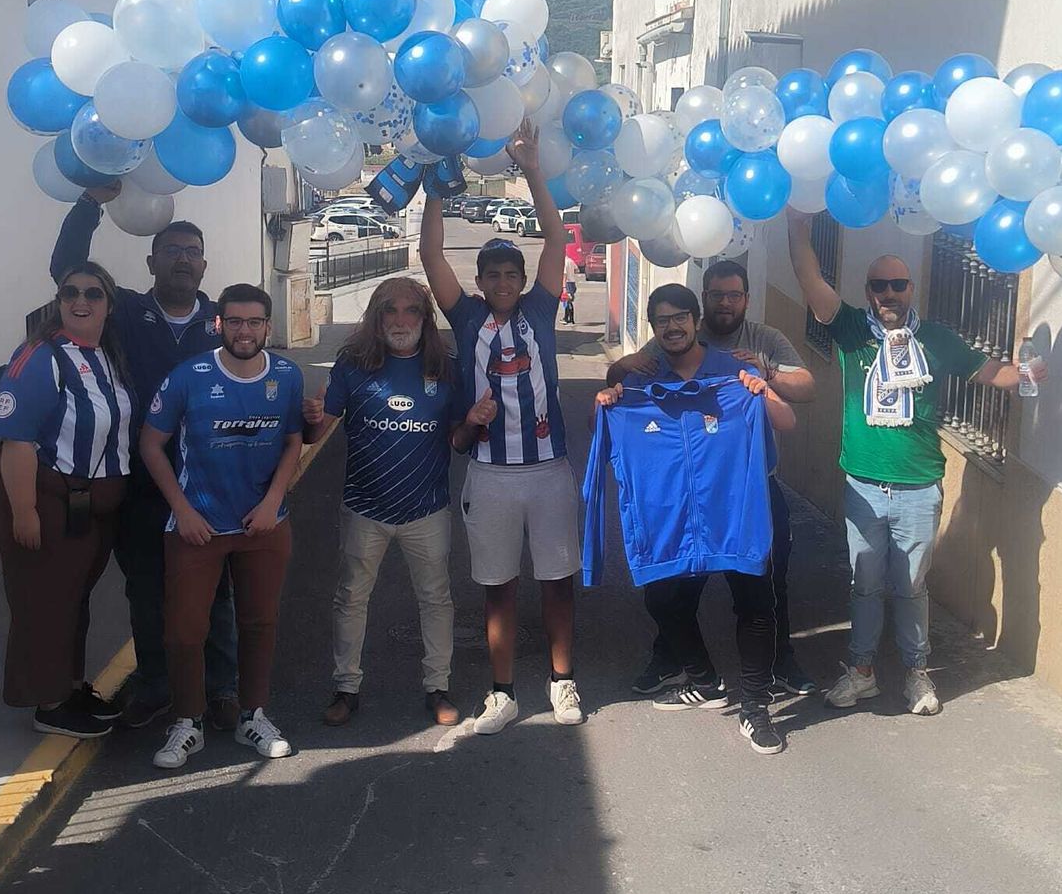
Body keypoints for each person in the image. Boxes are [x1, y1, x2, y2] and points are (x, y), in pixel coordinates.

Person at [787, 210, 1044, 715]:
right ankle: (861, 671)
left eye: (898, 284)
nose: (889, 293)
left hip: (919, 488)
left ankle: (916, 674)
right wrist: (798, 228)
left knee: (910, 587)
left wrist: (1031, 372)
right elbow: (810, 280)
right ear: (868, 291)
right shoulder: (849, 331)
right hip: (863, 485)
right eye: (879, 285)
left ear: (911, 290)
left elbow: (993, 373)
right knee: (865, 585)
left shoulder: (938, 340)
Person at [50, 189, 239, 731]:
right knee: (148, 592)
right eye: (172, 250)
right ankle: (156, 685)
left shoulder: (225, 324)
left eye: (192, 251)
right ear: (151, 261)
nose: (183, 258)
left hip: (211, 485)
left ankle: (222, 687)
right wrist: (90, 202)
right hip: (140, 487)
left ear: (204, 265)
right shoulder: (126, 313)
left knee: (216, 593)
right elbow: (67, 268)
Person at [420, 120, 584, 734]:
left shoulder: (542, 309)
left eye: (510, 275)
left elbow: (556, 236)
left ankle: (563, 684)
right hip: (489, 474)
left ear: (522, 280)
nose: (502, 284)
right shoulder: (464, 320)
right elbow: (431, 254)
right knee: (498, 585)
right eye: (491, 275)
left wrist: (533, 168)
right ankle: (502, 693)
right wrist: (438, 180)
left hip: (548, 470)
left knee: (558, 578)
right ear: (481, 281)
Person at [592, 285, 798, 753]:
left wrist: (764, 391)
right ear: (652, 326)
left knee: (755, 601)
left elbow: (786, 422)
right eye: (662, 320)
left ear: (696, 319)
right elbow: (603, 436)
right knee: (663, 598)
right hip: (676, 514)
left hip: (738, 504)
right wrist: (607, 400)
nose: (673, 327)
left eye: (681, 317)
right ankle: (705, 680)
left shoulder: (733, 371)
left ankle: (755, 709)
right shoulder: (644, 379)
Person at [303, 277, 495, 728]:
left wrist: (470, 422)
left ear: (426, 320)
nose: (401, 320)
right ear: (377, 316)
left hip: (426, 508)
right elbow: (318, 431)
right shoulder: (352, 365)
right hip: (363, 507)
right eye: (391, 310)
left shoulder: (445, 368)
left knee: (436, 600)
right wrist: (310, 418)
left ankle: (438, 687)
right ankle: (346, 688)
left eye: (412, 311)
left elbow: (460, 442)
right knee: (350, 599)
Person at [139, 285, 306, 771]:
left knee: (260, 622)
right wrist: (182, 509)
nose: (244, 331)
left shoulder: (287, 376)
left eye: (254, 322)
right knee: (185, 631)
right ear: (218, 324)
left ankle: (253, 715)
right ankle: (187, 722)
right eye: (234, 321)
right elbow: (152, 445)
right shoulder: (188, 376)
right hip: (197, 527)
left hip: (263, 525)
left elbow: (294, 441)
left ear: (267, 328)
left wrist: (274, 501)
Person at [0, 262, 132, 738]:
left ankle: (70, 687)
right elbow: (16, 441)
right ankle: (48, 703)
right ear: (58, 299)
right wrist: (24, 511)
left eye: (93, 292)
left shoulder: (104, 353)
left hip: (85, 507)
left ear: (109, 304)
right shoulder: (40, 356)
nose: (80, 300)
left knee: (73, 599)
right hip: (45, 500)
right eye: (70, 292)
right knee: (44, 602)